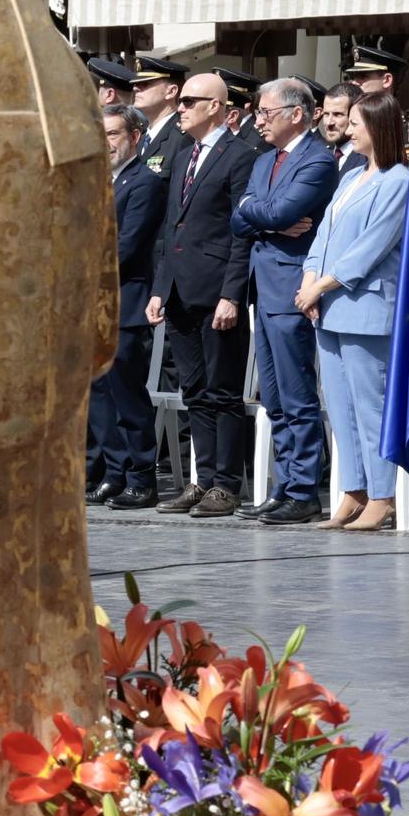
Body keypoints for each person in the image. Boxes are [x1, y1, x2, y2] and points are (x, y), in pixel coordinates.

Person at [295, 91, 409, 531]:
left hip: (364, 304)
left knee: (370, 404)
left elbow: (371, 247)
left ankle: (383, 495)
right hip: (329, 305)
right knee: (339, 405)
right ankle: (354, 491)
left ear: (378, 127)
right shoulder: (350, 178)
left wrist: (322, 285)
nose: (349, 128)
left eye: (357, 122)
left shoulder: (398, 181)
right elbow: (323, 236)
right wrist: (309, 279)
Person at [146, 71, 257, 518]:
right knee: (194, 390)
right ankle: (203, 478)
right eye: (182, 101)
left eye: (191, 101)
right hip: (178, 290)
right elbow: (172, 224)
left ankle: (227, 484)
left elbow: (240, 232)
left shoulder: (239, 156)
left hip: (215, 291)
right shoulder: (185, 154)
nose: (182, 108)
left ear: (216, 106)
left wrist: (232, 294)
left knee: (223, 389)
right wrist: (159, 288)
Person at [229, 77, 338, 524]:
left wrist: (264, 215)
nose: (259, 121)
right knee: (273, 397)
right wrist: (267, 218)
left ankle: (304, 488)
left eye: (266, 113)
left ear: (297, 114)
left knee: (296, 395)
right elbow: (240, 216)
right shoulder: (265, 160)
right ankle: (284, 482)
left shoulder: (317, 160)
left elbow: (275, 212)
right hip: (265, 285)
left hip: (293, 287)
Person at [94, 105, 168, 511]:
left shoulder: (144, 182)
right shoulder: (97, 181)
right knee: (99, 392)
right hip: (94, 302)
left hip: (126, 298)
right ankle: (115, 471)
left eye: (112, 134)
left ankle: (142, 476)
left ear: (135, 137)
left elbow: (129, 243)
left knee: (127, 391)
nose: (105, 143)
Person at [131, 55, 186, 178]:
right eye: (135, 84)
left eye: (145, 83)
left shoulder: (183, 138)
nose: (135, 88)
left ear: (171, 92)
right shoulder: (142, 138)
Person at [318, 82, 365, 179]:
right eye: (326, 114)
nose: (329, 123)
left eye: (337, 114)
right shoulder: (320, 154)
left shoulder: (366, 159)